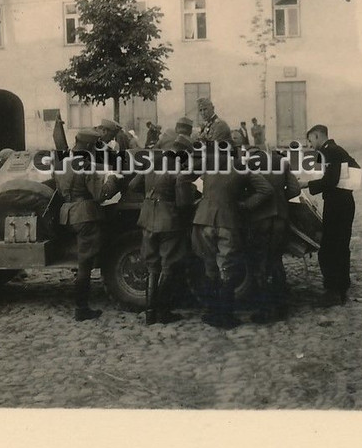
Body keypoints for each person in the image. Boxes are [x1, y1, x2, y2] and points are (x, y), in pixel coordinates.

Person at [189, 142, 271, 328]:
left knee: (209, 267)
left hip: (202, 220)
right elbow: (266, 190)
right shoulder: (242, 168)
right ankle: (225, 316)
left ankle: (211, 312)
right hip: (227, 221)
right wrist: (246, 204)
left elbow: (184, 175)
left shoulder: (209, 165)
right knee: (226, 268)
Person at [55, 129, 125, 321]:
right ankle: (81, 308)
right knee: (85, 263)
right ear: (87, 147)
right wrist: (113, 178)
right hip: (84, 215)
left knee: (83, 259)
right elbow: (100, 195)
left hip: (68, 214)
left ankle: (81, 306)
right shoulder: (86, 166)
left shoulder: (62, 164)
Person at [127, 135, 192, 325]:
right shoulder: (178, 168)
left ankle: (149, 313)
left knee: (152, 265)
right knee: (168, 265)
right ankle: (163, 312)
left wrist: (150, 197)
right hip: (168, 220)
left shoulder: (152, 163)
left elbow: (132, 185)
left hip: (147, 218)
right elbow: (183, 203)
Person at [305, 124, 360, 307]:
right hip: (344, 202)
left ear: (318, 135)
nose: (310, 144)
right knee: (340, 245)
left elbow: (330, 180)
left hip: (337, 205)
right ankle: (342, 287)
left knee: (329, 249)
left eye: (311, 140)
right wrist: (346, 187)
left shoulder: (329, 152)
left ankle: (333, 291)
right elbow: (355, 168)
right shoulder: (338, 150)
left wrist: (307, 185)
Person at [243, 157, 301, 323]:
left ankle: (264, 309)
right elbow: (295, 189)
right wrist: (280, 197)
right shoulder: (281, 162)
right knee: (276, 259)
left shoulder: (247, 164)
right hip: (280, 218)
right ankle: (282, 306)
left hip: (260, 218)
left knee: (259, 262)